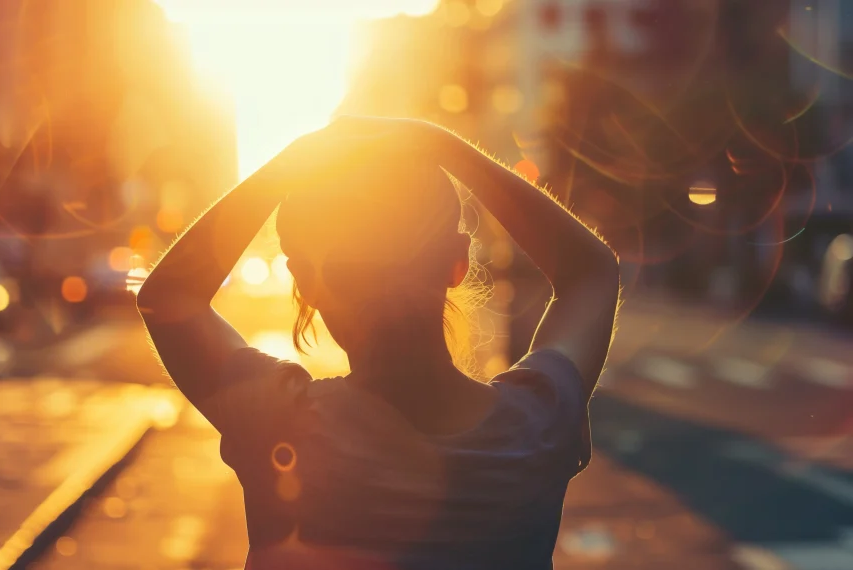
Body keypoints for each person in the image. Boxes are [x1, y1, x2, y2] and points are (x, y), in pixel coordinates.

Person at [137, 116, 620, 569]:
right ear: (457, 262)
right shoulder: (537, 424)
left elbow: (170, 297)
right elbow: (592, 273)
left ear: (304, 283)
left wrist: (294, 160)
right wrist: (442, 144)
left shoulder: (282, 425)